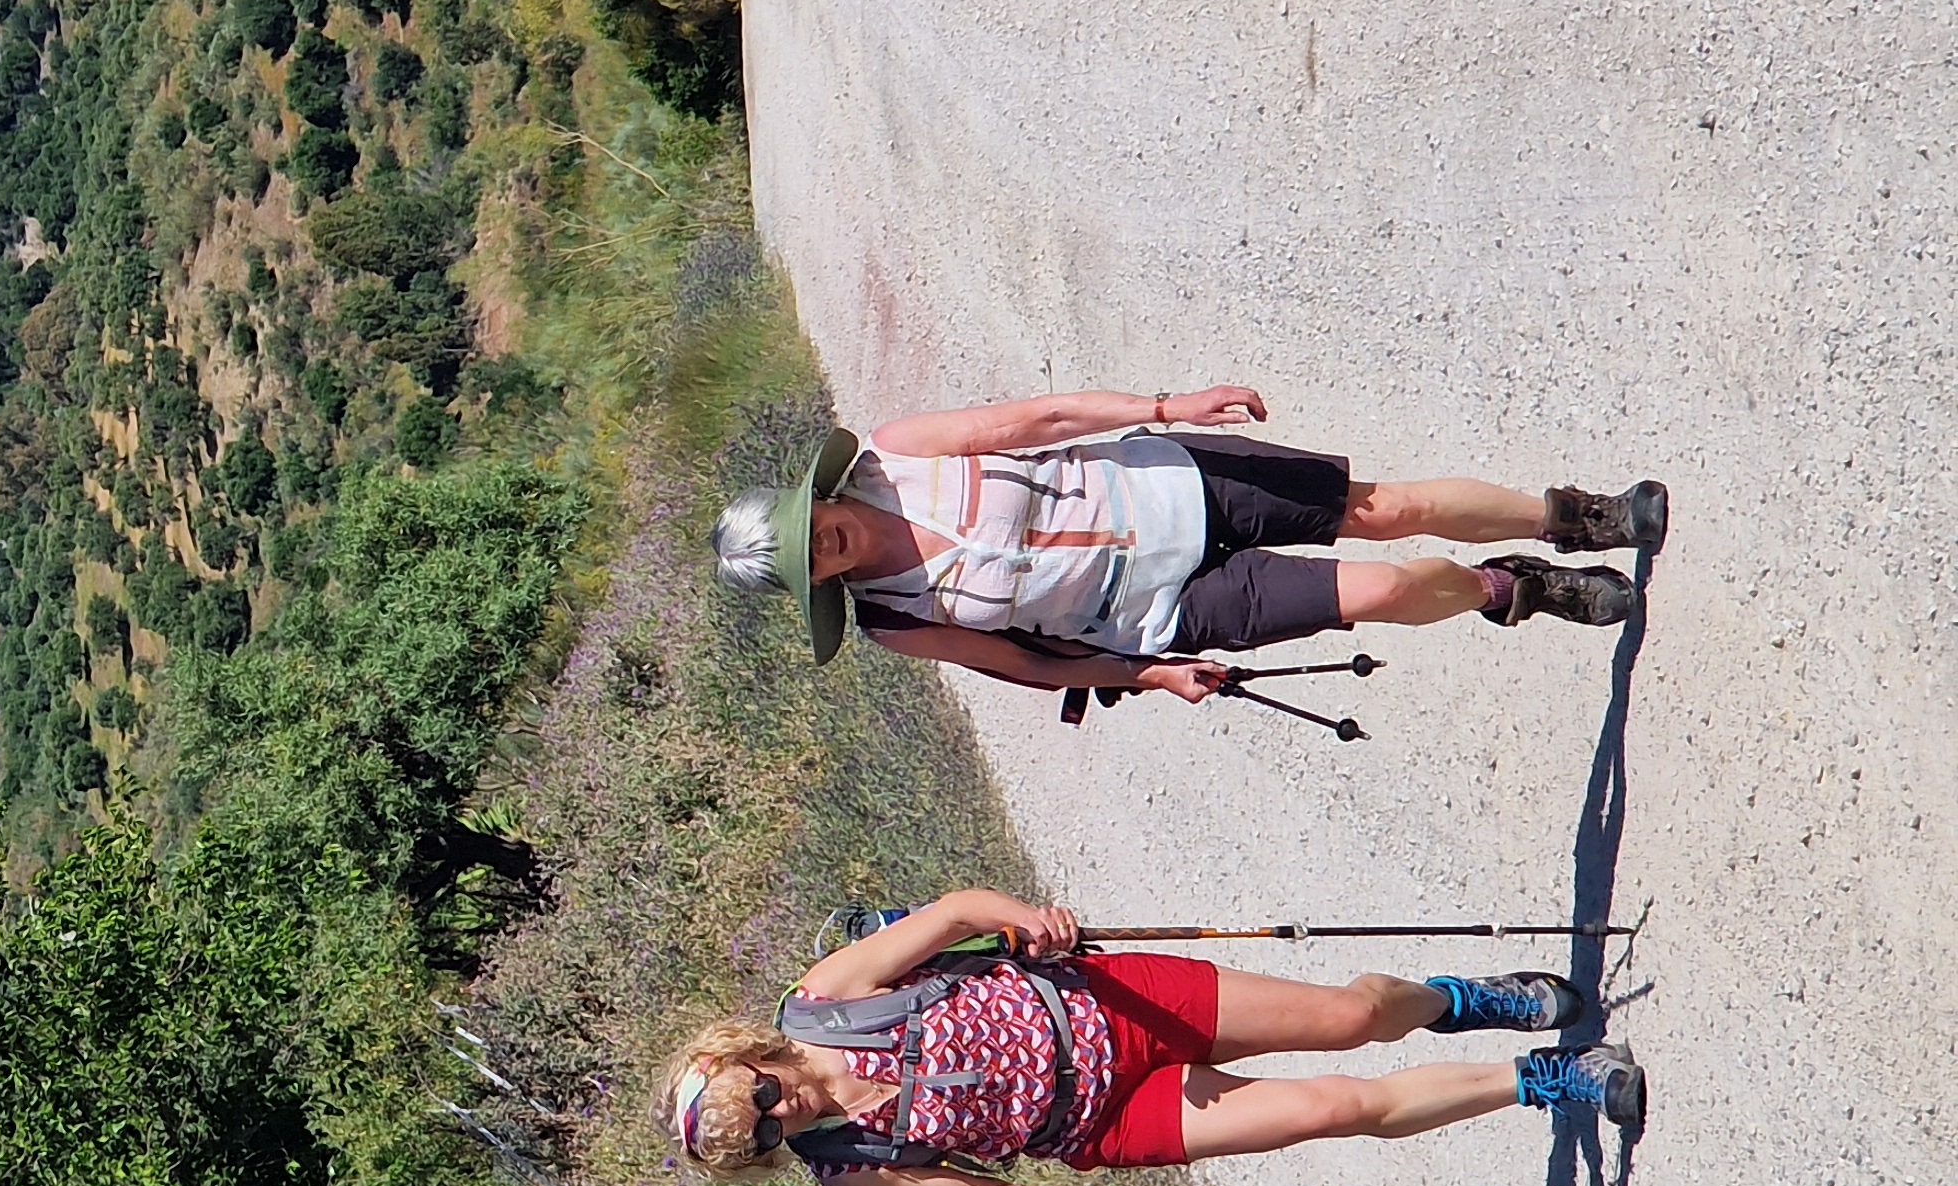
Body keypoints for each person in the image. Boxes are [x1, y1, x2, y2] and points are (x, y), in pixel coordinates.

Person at [657, 890, 1643, 1186]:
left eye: (765, 1099)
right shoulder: (842, 1164)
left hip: (1108, 1002)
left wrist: (1024, 920)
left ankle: (1461, 999)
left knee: (1348, 1019)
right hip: (1104, 1120)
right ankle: (1545, 1080)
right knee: (1330, 1109)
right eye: (769, 1138)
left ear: (746, 1059)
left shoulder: (827, 999)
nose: (786, 1115)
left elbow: (956, 915)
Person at [708, 385, 1664, 702]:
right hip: (1159, 611)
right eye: (809, 563)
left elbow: (1042, 417)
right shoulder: (894, 620)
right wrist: (1145, 676)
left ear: (808, 497)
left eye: (807, 530)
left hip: (1174, 482)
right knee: (1373, 594)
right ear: (812, 583)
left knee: (1384, 508)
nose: (825, 546)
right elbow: (1025, 665)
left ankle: (1579, 518)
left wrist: (1167, 405)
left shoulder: (897, 453)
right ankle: (1512, 589)